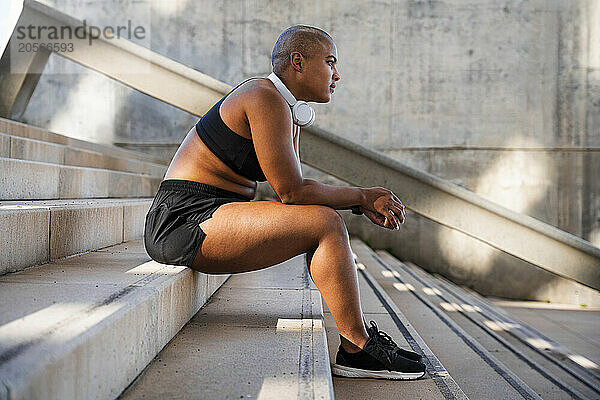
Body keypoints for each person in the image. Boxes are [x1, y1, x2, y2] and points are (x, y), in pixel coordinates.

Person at [144, 25, 426, 380]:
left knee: (321, 220)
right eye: (329, 62)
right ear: (298, 62)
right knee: (324, 223)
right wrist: (362, 196)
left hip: (214, 214)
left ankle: (358, 345)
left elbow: (297, 192)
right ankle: (358, 346)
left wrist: (359, 200)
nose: (336, 75)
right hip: (183, 220)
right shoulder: (263, 97)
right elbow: (292, 192)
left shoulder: (284, 106)